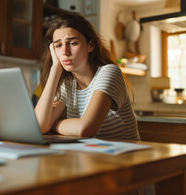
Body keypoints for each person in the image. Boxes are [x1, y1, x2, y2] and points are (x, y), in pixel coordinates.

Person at [35, 13, 140, 141]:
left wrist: (53, 125)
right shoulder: (67, 84)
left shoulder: (109, 72)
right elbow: (39, 126)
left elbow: (85, 129)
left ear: (90, 46)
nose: (65, 52)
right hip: (94, 155)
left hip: (126, 157)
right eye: (58, 45)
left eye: (73, 43)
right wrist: (55, 70)